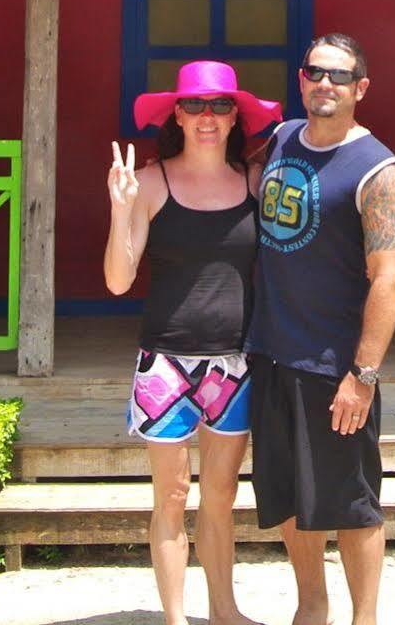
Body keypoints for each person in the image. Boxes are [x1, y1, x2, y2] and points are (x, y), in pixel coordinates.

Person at [105, 60, 282, 625]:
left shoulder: (255, 184)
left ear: (236, 118)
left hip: (234, 363)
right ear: (177, 114)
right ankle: (176, 618)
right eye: (196, 106)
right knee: (173, 496)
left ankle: (224, 611)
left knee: (222, 497)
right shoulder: (152, 182)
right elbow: (117, 278)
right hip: (165, 363)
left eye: (220, 106)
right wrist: (120, 207)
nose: (208, 117)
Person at [248, 33, 395, 625]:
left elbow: (387, 280)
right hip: (270, 352)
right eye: (316, 72)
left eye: (339, 76)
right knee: (289, 496)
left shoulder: (380, 171)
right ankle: (310, 606)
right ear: (300, 79)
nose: (325, 84)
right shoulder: (283, 138)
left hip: (334, 366)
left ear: (360, 89)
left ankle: (363, 618)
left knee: (352, 503)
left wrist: (362, 375)